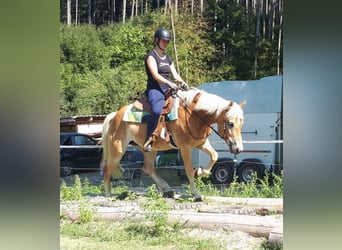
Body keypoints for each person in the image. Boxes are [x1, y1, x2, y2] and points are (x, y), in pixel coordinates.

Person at [143, 28, 188, 152]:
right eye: (163, 41)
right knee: (157, 110)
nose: (165, 43)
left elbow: (175, 75)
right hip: (155, 89)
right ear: (157, 40)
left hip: (169, 89)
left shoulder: (168, 59)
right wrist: (170, 83)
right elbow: (155, 75)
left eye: (167, 42)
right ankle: (149, 139)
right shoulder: (151, 56)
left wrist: (182, 82)